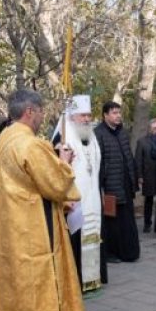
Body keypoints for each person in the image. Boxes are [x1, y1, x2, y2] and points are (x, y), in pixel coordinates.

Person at [0, 89, 90, 311]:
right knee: (42, 293)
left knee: (17, 297)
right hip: (36, 232)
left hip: (10, 233)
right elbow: (56, 185)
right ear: (30, 111)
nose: (43, 117)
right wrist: (64, 161)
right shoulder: (30, 144)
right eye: (41, 111)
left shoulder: (2, 142)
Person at [52, 95, 106, 292]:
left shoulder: (91, 137)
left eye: (89, 115)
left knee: (93, 234)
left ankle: (92, 278)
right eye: (82, 115)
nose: (86, 119)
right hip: (74, 201)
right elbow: (55, 169)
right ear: (72, 117)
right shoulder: (62, 137)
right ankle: (76, 281)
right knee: (77, 238)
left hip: (92, 197)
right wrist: (59, 154)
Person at [94, 102, 140, 262]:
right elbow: (98, 163)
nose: (118, 116)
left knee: (126, 220)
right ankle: (111, 253)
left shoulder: (122, 132)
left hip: (125, 184)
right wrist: (101, 187)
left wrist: (135, 178)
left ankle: (129, 252)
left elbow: (129, 157)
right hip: (109, 186)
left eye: (119, 112)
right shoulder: (98, 133)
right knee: (111, 222)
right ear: (105, 115)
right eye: (114, 113)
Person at [135, 118, 156, 233]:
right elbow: (138, 160)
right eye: (154, 128)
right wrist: (139, 176)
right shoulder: (142, 141)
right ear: (150, 129)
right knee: (149, 200)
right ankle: (147, 224)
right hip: (148, 175)